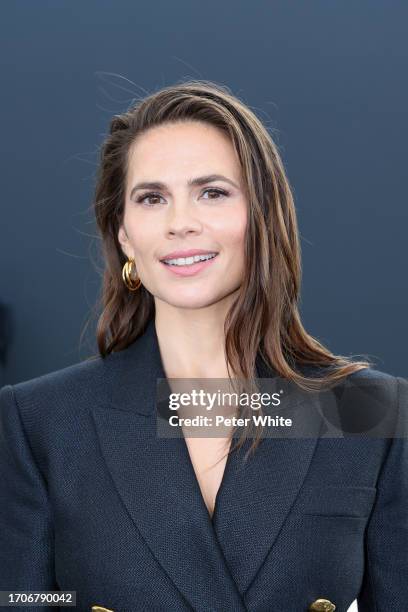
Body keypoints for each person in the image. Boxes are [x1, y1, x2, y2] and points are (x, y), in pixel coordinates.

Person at [0, 80, 407, 612]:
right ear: (124, 234)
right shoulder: (41, 422)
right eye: (152, 198)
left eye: (212, 192)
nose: (180, 223)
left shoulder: (367, 413)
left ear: (261, 216)